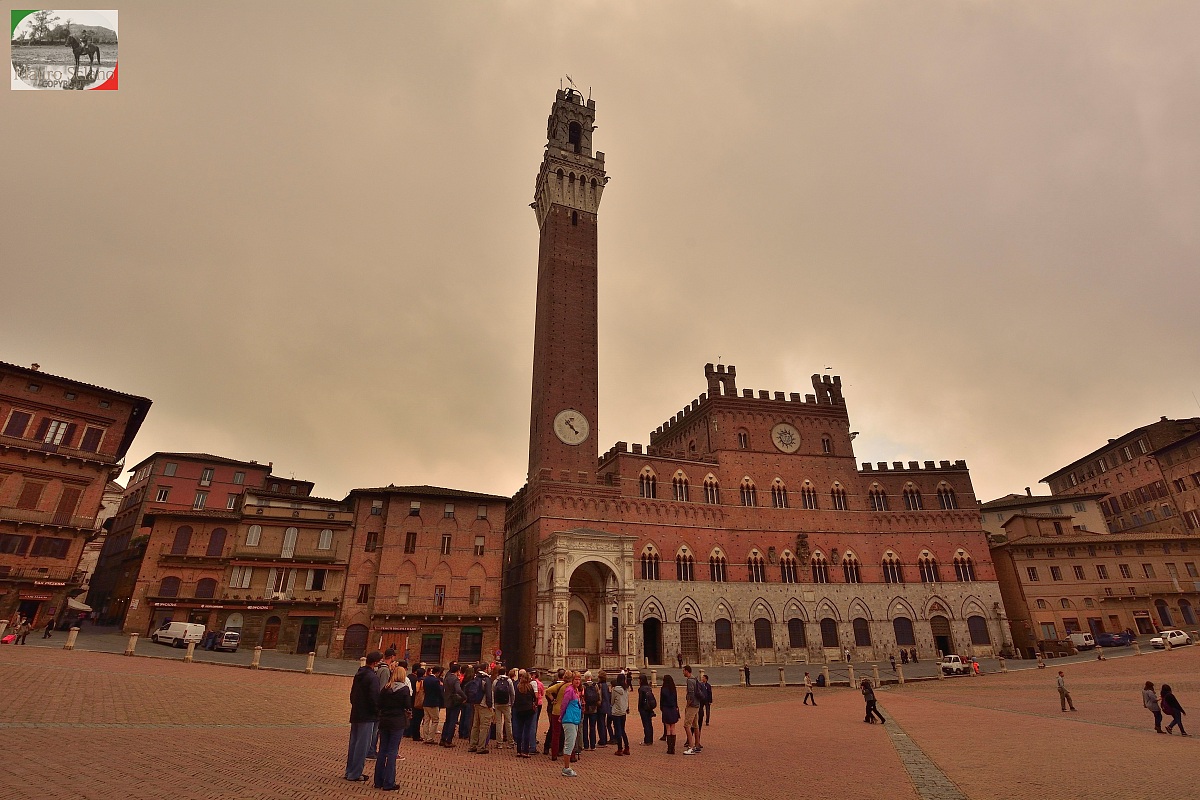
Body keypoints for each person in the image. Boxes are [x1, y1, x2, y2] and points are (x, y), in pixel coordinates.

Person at [345, 650, 383, 782]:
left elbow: (352, 694)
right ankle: (355, 773)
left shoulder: (359, 674)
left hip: (356, 712)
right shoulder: (372, 677)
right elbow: (374, 698)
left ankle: (349, 771)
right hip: (367, 715)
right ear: (376, 662)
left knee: (354, 743)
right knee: (362, 745)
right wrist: (377, 711)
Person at [375, 665, 412, 791]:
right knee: (392, 751)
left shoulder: (386, 688)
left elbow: (379, 703)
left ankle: (378, 780)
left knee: (382, 750)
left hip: (385, 720)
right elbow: (407, 705)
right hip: (397, 722)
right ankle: (389, 782)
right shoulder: (404, 689)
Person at [560, 671, 584, 777]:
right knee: (569, 744)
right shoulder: (569, 690)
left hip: (574, 719)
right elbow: (564, 704)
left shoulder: (576, 690)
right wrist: (561, 716)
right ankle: (566, 768)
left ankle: (567, 767)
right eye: (576, 679)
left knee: (572, 742)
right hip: (569, 719)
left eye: (579, 679)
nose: (578, 681)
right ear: (572, 680)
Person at [467, 662, 494, 754]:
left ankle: (472, 745)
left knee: (475, 725)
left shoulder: (476, 677)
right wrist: (490, 706)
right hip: (484, 704)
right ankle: (481, 747)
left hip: (476, 703)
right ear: (486, 668)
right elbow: (488, 693)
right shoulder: (486, 679)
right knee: (484, 726)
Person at [512, 669, 537, 757]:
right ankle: (525, 751)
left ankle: (519, 750)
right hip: (529, 710)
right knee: (527, 730)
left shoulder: (517, 687)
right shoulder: (530, 687)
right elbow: (534, 698)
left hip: (519, 710)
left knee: (519, 730)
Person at [440, 663, 466, 747]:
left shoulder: (447, 678)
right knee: (453, 721)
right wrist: (464, 697)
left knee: (447, 720)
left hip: (447, 700)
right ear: (458, 671)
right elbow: (458, 690)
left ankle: (443, 738)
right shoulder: (455, 679)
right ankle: (448, 740)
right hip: (454, 701)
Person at [544, 669, 566, 758]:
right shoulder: (566, 686)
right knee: (561, 729)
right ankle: (560, 749)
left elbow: (546, 694)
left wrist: (552, 701)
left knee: (552, 728)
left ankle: (546, 747)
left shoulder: (552, 684)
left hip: (551, 709)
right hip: (561, 709)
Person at [421, 666, 444, 743]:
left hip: (426, 701)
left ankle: (425, 736)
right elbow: (439, 692)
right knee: (435, 720)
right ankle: (430, 738)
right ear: (437, 672)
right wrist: (441, 686)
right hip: (433, 703)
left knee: (426, 720)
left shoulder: (426, 679)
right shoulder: (436, 681)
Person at [492, 667, 514, 747]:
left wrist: (493, 704)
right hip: (506, 704)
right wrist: (511, 703)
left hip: (497, 704)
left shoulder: (495, 681)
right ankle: (510, 742)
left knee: (498, 723)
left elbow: (493, 693)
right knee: (508, 723)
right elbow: (512, 693)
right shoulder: (509, 681)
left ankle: (499, 743)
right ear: (505, 673)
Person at [682, 665, 702, 755]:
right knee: (695, 725)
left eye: (684, 671)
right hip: (697, 704)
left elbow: (691, 693)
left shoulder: (690, 680)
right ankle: (697, 745)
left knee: (687, 725)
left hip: (692, 705)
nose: (683, 672)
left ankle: (691, 746)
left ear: (687, 671)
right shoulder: (695, 679)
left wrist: (688, 704)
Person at [660, 673, 680, 754]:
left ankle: (669, 748)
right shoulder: (673, 688)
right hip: (673, 708)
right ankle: (673, 748)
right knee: (673, 728)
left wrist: (662, 708)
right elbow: (675, 699)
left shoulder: (663, 689)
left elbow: (661, 700)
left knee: (668, 728)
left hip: (666, 708)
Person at [610, 672, 630, 755]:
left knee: (617, 730)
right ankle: (627, 747)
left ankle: (620, 748)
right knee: (622, 730)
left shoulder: (615, 689)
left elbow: (612, 701)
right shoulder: (626, 689)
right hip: (623, 711)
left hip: (616, 712)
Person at [582, 673, 601, 750]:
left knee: (585, 727)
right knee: (592, 727)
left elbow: (582, 696)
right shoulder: (595, 685)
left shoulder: (583, 686)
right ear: (591, 677)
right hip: (593, 709)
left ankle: (586, 745)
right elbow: (599, 696)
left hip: (586, 709)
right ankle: (593, 745)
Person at [637, 672, 657, 746]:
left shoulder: (641, 689)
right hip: (649, 708)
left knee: (646, 724)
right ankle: (650, 739)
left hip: (644, 708)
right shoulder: (649, 687)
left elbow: (641, 700)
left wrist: (639, 708)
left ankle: (647, 740)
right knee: (649, 724)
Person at [597, 669, 612, 746]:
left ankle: (602, 740)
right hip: (605, 706)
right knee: (603, 723)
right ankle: (604, 739)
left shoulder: (600, 685)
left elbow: (601, 697)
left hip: (601, 706)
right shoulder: (606, 685)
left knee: (601, 723)